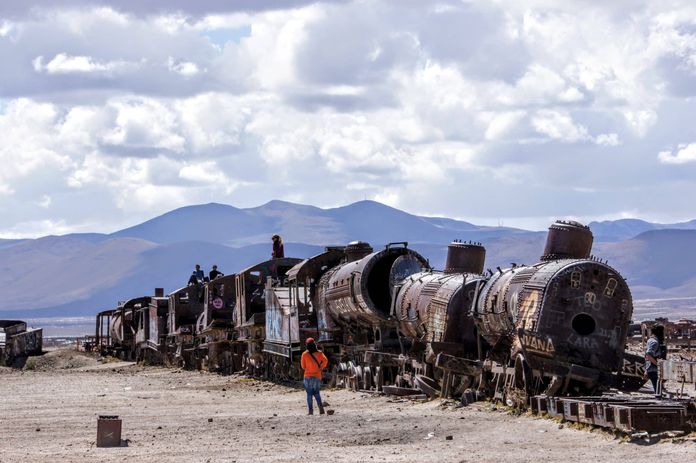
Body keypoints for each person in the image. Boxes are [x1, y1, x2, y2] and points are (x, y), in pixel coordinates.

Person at [300, 337, 328, 415]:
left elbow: (303, 366)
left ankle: (310, 411)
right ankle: (321, 409)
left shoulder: (304, 354)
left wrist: (309, 368)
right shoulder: (319, 353)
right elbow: (325, 361)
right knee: (317, 393)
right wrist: (321, 367)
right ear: (314, 344)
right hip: (317, 376)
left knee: (309, 394)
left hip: (307, 376)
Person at [644, 324, 664, 396]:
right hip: (654, 370)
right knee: (658, 392)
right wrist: (658, 365)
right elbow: (649, 355)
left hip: (652, 369)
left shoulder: (651, 340)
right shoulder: (654, 342)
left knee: (658, 391)